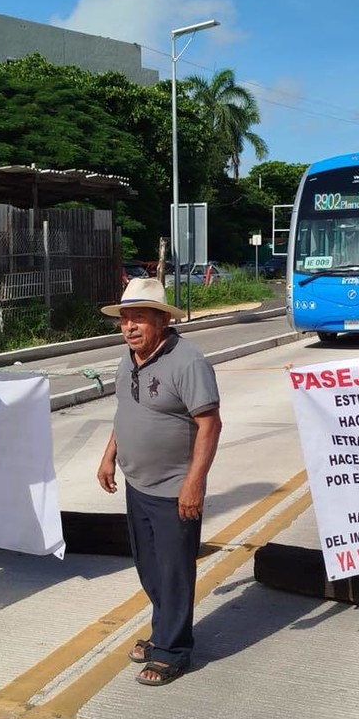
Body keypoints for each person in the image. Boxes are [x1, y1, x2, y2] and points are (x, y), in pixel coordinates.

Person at [96, 278, 222, 686]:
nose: (130, 327)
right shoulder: (127, 359)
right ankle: (162, 632)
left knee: (174, 571)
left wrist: (194, 483)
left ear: (163, 321)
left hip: (173, 489)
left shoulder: (188, 362)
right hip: (139, 484)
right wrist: (109, 455)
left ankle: (173, 649)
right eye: (125, 319)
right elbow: (125, 410)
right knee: (150, 568)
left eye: (140, 319)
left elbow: (209, 424)